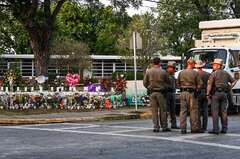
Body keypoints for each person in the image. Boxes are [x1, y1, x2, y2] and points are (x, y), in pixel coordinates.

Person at [207, 59, 236, 134]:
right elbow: (234, 81)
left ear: (218, 66)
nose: (213, 66)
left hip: (216, 94)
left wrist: (207, 94)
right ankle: (224, 129)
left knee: (215, 112)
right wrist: (229, 88)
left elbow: (209, 85)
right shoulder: (226, 73)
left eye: (214, 64)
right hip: (224, 94)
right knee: (223, 112)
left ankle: (216, 129)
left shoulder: (214, 74)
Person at [143, 57, 171, 132]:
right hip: (161, 93)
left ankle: (156, 127)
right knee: (163, 110)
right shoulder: (163, 72)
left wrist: (149, 87)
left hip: (152, 93)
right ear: (159, 62)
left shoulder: (149, 71)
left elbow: (145, 83)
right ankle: (164, 126)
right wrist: (164, 87)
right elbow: (168, 83)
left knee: (154, 111)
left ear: (152, 62)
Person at [177, 58, 203, 134]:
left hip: (183, 93)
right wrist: (197, 89)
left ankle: (183, 128)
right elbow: (200, 84)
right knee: (193, 111)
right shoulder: (195, 73)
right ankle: (194, 128)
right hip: (191, 93)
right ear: (192, 64)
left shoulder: (181, 72)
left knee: (183, 111)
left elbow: (177, 83)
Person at [195, 60, 210, 132]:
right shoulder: (207, 74)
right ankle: (204, 127)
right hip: (205, 92)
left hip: (197, 93)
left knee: (197, 110)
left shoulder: (195, 74)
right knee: (205, 111)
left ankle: (199, 126)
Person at [166, 61, 179, 129]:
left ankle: (174, 124)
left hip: (172, 93)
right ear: (168, 68)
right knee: (166, 110)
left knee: (173, 110)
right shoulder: (165, 75)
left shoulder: (173, 76)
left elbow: (176, 85)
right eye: (173, 68)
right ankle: (165, 124)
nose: (174, 70)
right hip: (167, 94)